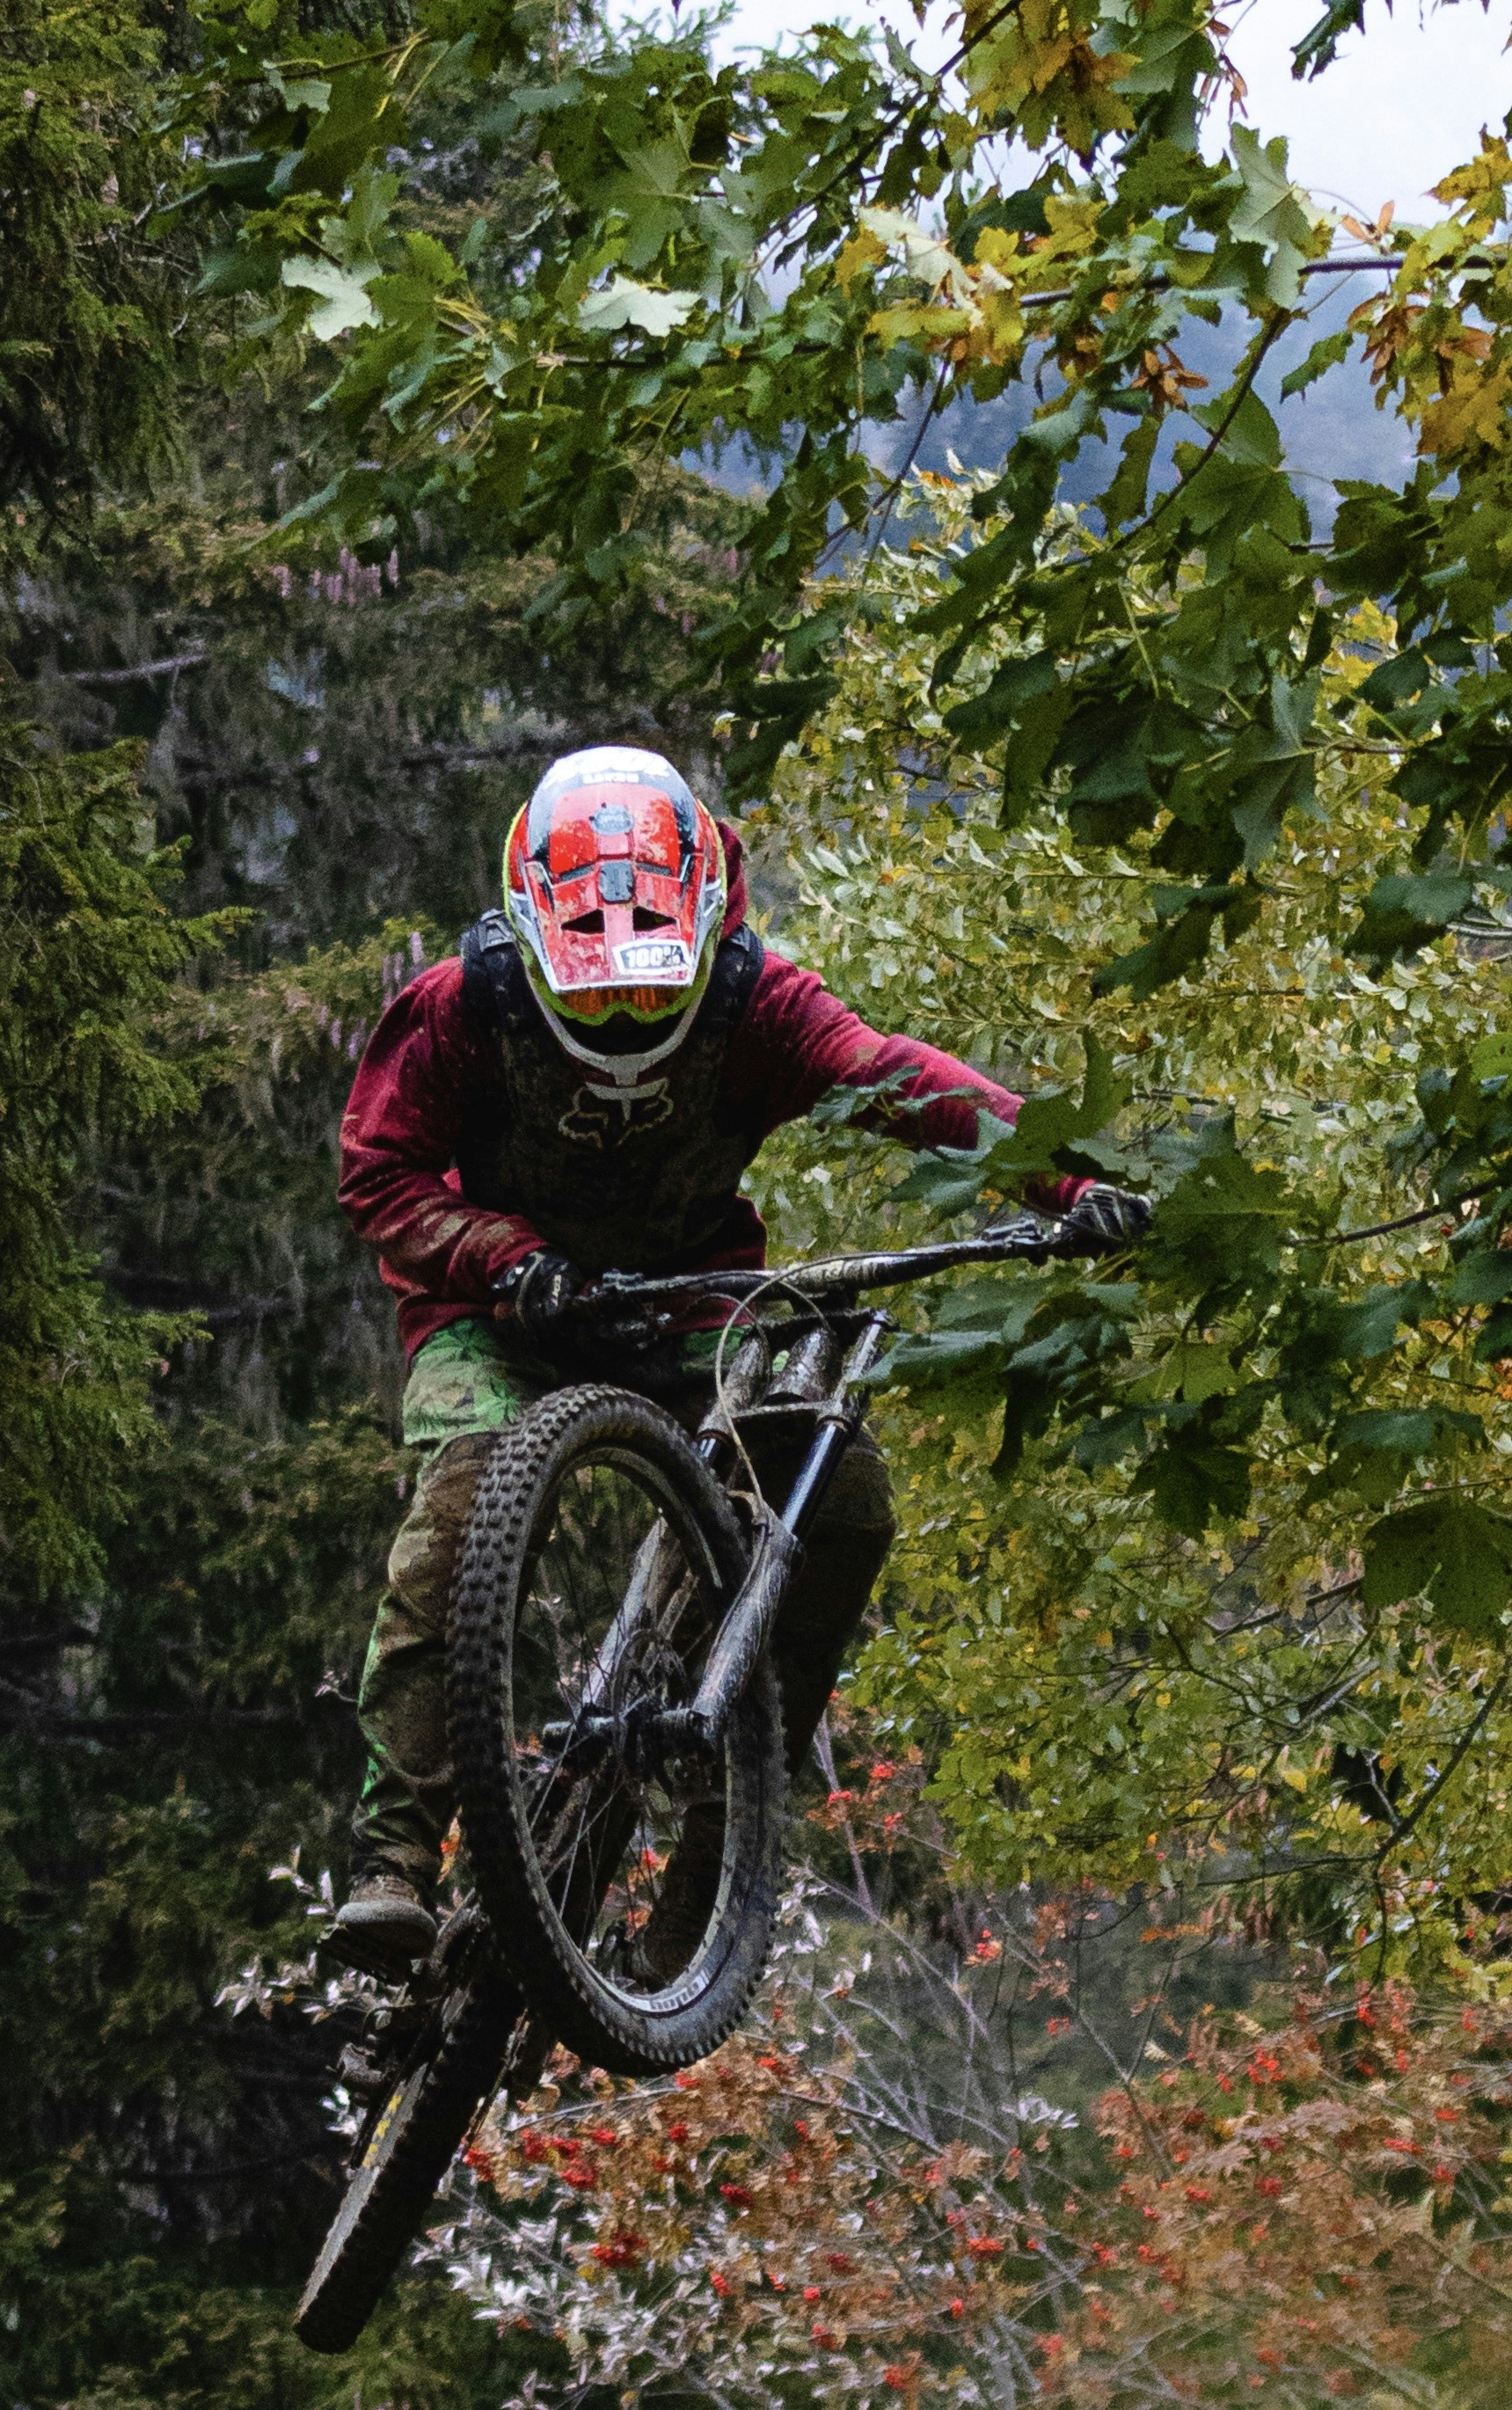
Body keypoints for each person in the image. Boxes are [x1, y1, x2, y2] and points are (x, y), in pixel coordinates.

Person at [325, 740, 1121, 1979]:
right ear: (533, 942)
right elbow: (378, 1173)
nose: (622, 1024)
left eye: (649, 1000)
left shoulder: (759, 1006)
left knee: (837, 1500)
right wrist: (504, 1255)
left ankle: (720, 1842)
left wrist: (1071, 1182)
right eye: (596, 1003)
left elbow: (899, 1081)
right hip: (498, 1313)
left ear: (702, 933)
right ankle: (393, 1860)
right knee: (459, 1507)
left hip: (689, 1300)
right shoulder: (459, 1007)